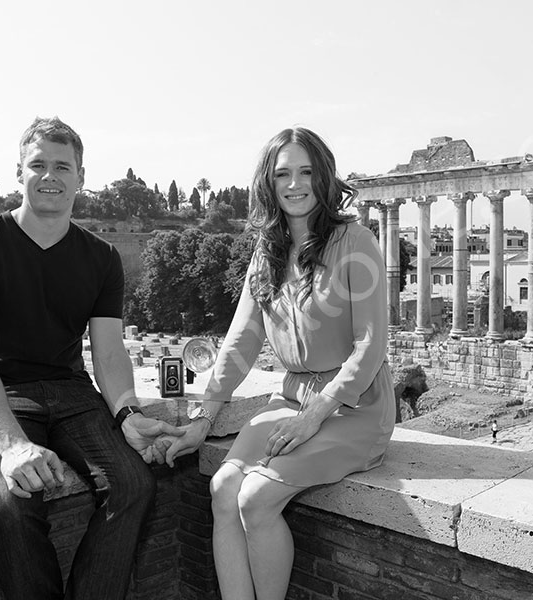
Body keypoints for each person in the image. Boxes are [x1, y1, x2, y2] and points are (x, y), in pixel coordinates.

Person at [0, 116, 182, 600]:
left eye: (62, 166)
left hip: (73, 395)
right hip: (0, 393)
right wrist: (11, 445)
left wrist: (128, 412)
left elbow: (109, 350)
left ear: (80, 177)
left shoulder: (101, 256)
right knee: (11, 502)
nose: (49, 175)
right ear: (19, 173)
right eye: (38, 165)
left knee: (134, 486)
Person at [157, 127, 394, 600]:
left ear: (323, 177)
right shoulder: (265, 252)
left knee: (256, 496)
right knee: (224, 486)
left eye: (306, 171)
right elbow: (241, 341)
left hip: (354, 407)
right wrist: (205, 416)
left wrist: (315, 416)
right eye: (283, 173)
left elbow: (372, 345)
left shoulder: (356, 241)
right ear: (268, 182)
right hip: (290, 398)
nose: (295, 183)